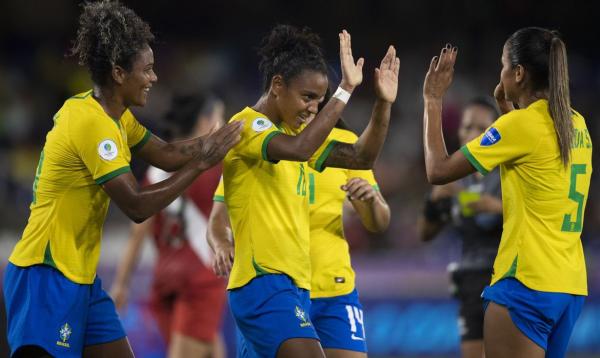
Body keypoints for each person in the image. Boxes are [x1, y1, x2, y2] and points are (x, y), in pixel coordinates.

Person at [2, 2, 242, 357]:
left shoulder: (116, 117)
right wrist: (200, 164)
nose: (154, 78)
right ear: (118, 73)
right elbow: (136, 205)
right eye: (146, 70)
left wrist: (219, 140)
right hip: (45, 274)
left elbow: (166, 154)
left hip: (80, 278)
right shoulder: (92, 125)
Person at [208, 25, 399, 358]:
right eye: (308, 97)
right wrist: (345, 90)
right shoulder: (249, 126)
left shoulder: (291, 137)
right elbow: (297, 148)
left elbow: (361, 157)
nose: (313, 108)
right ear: (278, 85)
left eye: (319, 100)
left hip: (298, 287)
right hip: (263, 282)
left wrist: (382, 104)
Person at [421, 28, 592, 358]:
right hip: (568, 286)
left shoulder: (520, 127)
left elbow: (438, 171)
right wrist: (506, 107)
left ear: (518, 73)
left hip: (525, 283)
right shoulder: (577, 124)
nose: (499, 73)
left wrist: (432, 100)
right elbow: (535, 155)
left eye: (503, 65)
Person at [110, 93, 228, 358]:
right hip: (201, 280)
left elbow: (136, 234)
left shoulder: (155, 174)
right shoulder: (216, 169)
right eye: (220, 117)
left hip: (164, 282)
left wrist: (121, 283)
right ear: (205, 123)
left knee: (210, 347)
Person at [418, 97, 502, 358]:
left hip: (505, 278)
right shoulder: (451, 179)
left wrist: (499, 208)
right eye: (467, 127)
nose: (472, 134)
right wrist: (434, 202)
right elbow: (425, 233)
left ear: (495, 133)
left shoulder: (508, 172)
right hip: (470, 282)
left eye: (481, 128)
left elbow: (540, 213)